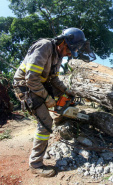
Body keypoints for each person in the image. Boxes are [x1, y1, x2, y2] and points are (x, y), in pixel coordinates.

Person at [13, 27, 96, 177]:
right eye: (69, 50)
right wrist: (47, 98)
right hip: (25, 86)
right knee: (45, 123)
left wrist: (67, 91)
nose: (69, 53)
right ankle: (36, 164)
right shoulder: (44, 46)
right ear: (63, 42)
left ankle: (61, 116)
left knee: (65, 96)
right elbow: (31, 79)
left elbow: (54, 79)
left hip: (39, 83)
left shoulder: (58, 55)